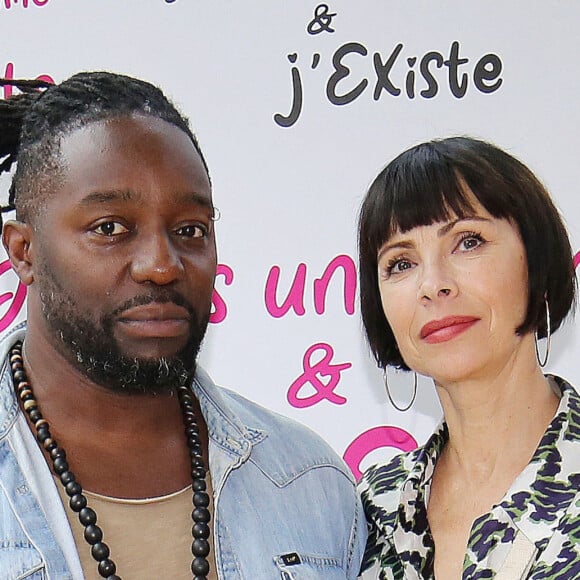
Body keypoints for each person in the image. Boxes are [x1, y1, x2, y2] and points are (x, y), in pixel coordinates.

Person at [0, 72, 366, 579]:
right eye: (111, 229)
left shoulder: (307, 482)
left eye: (190, 230)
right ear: (24, 251)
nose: (162, 264)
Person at [356, 137, 579, 579]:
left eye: (468, 241)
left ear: (536, 260)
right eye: (400, 263)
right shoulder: (370, 507)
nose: (432, 284)